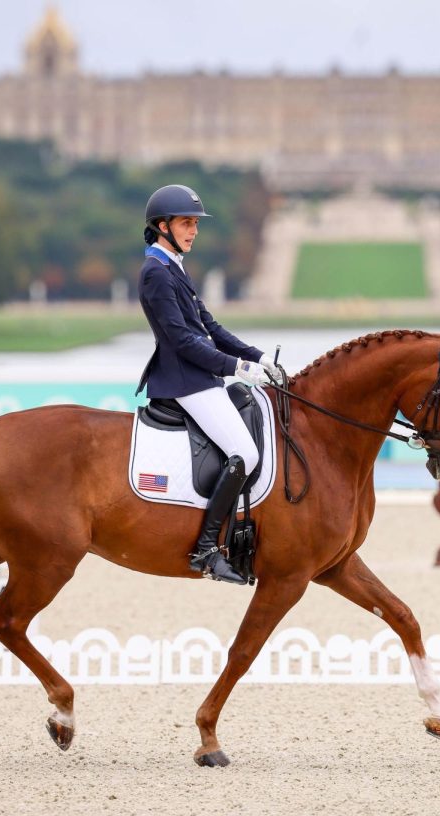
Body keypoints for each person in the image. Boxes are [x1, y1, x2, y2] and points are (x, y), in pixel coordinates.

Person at [135, 184, 284, 584]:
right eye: (186, 223)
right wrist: (237, 367)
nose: (193, 231)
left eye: (195, 224)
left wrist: (257, 357)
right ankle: (205, 548)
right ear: (162, 226)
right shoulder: (155, 273)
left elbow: (210, 328)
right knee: (245, 453)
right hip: (185, 382)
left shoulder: (173, 267)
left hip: (199, 376)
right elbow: (183, 341)